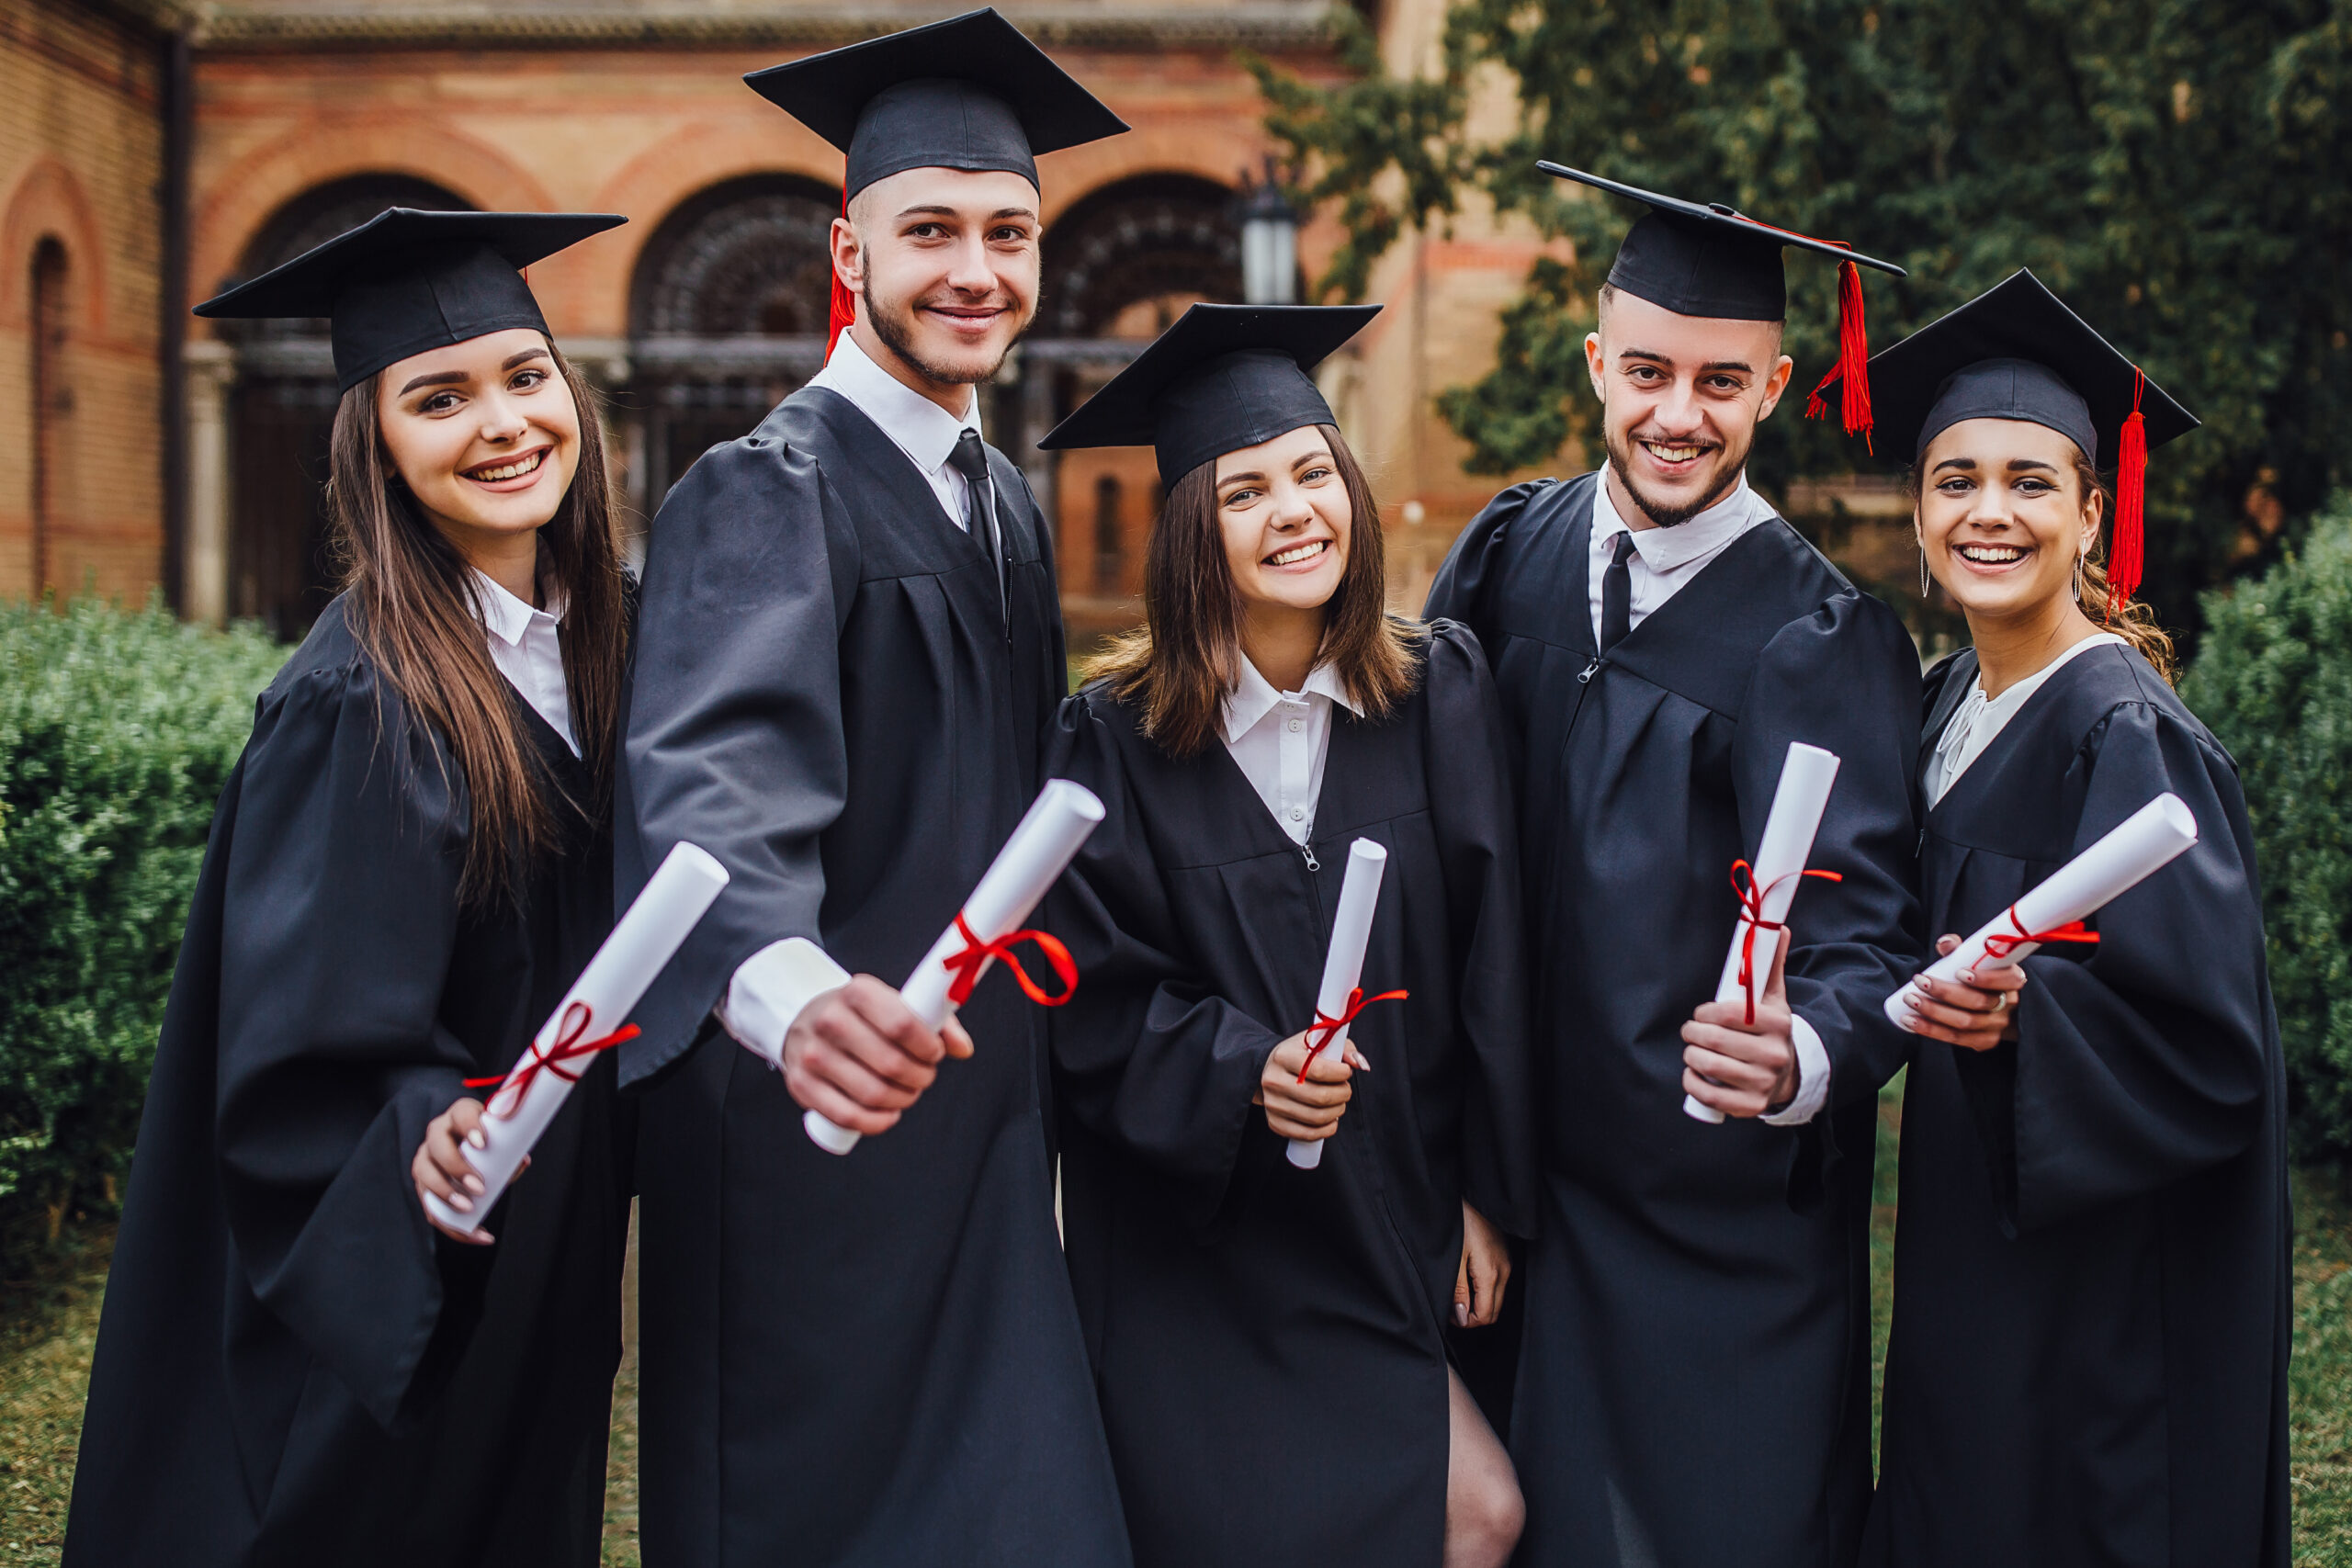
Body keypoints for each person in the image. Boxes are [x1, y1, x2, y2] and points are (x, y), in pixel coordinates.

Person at [615, 10, 1132, 1562]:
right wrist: (792, 1000)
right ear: (849, 249)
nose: (976, 270)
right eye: (932, 231)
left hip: (978, 1122)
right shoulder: (766, 487)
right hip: (813, 1137)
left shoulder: (999, 502)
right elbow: (710, 777)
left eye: (1010, 233)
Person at [65, 209, 638, 1566]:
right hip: (401, 1274)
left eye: (524, 377)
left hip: (541, 1240)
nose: (501, 424)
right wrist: (427, 1124)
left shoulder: (607, 642)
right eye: (438, 399)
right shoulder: (358, 701)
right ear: (375, 445)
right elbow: (302, 1050)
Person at [1422, 165, 1925, 1567]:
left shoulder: (1820, 638)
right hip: (1507, 1201)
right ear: (1596, 364)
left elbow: (1868, 937)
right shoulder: (1506, 554)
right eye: (1647, 372)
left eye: (1720, 383)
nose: (1677, 415)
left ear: (1774, 389)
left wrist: (1807, 1055)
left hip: (1708, 1231)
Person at [1035, 303, 1538, 1568]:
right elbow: (1091, 998)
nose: (1294, 511)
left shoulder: (1437, 692)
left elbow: (1495, 960)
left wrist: (1483, 1188)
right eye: (1246, 489)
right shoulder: (1115, 740)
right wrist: (1240, 1069)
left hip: (1387, 1220)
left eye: (1314, 474)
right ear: (1192, 532)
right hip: (1206, 1246)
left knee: (1477, 1515)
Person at [1857, 269, 2290, 1567]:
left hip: (2098, 1301)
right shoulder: (1947, 708)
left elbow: (2212, 1056)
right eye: (1956, 479)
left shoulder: (2121, 734)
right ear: (1920, 509)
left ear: (2093, 515)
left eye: (2031, 482)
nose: (1989, 511)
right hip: (1977, 1256)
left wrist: (2025, 1027)